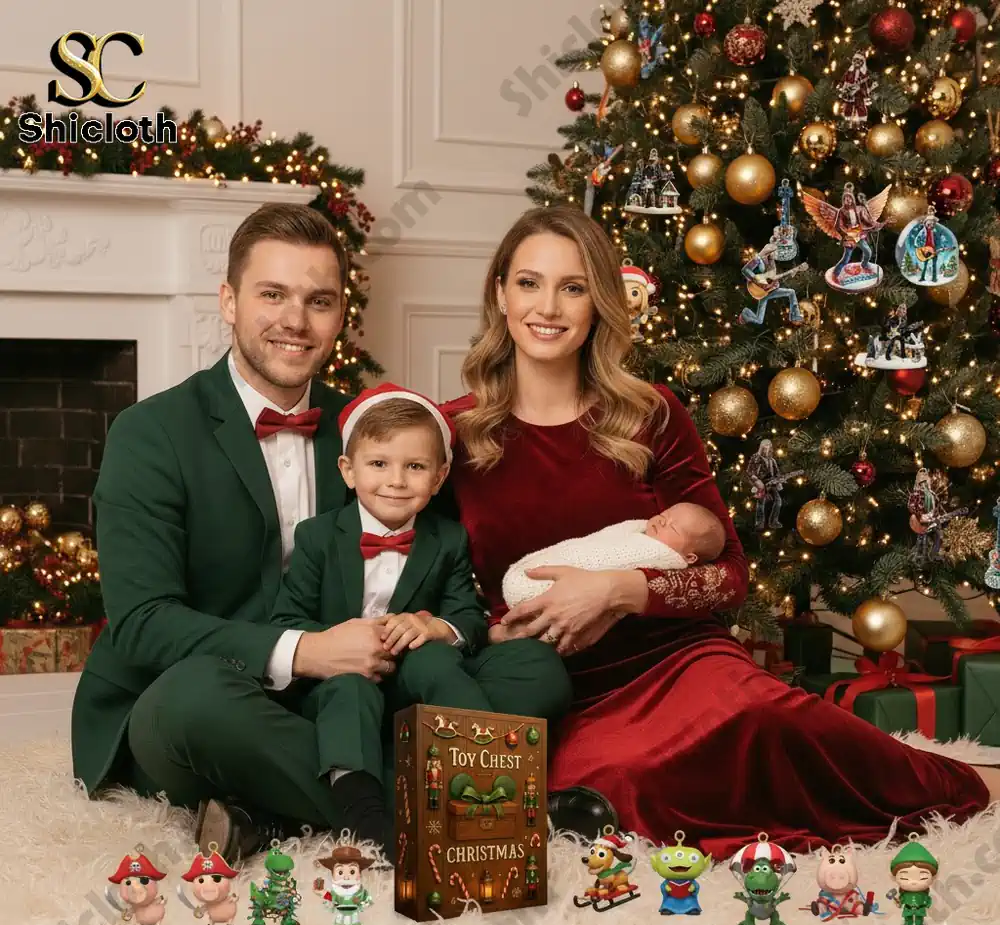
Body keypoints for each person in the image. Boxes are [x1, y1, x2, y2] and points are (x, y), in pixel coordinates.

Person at [437, 204, 1000, 858]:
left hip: (676, 660)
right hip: (553, 683)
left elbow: (730, 578)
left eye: (574, 287)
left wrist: (620, 590)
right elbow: (424, 580)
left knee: (769, 718)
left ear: (599, 305)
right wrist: (490, 634)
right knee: (620, 785)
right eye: (529, 283)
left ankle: (964, 785)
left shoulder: (651, 414)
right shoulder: (451, 434)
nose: (548, 307)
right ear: (500, 294)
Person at [69, 202, 569, 865]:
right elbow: (142, 624)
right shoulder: (150, 432)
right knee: (189, 705)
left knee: (532, 669)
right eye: (272, 294)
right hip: (216, 690)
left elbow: (430, 554)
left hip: (349, 692)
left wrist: (432, 625)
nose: (295, 321)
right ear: (229, 301)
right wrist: (306, 651)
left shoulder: (373, 432)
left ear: (339, 315)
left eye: (319, 301)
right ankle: (472, 807)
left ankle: (274, 809)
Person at [268, 384, 517, 808]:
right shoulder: (317, 537)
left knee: (441, 659)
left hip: (413, 685)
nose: (396, 481)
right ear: (348, 470)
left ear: (439, 477)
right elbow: (286, 621)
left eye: (415, 466)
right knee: (350, 689)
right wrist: (337, 642)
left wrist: (434, 627)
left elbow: (469, 618)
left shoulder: (448, 539)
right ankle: (360, 804)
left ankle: (487, 769)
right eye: (379, 463)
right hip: (340, 683)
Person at [501, 503, 726, 617]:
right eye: (664, 515)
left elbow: (610, 562)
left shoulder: (662, 557)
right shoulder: (637, 530)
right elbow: (591, 544)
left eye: (672, 527)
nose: (661, 522)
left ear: (689, 557)